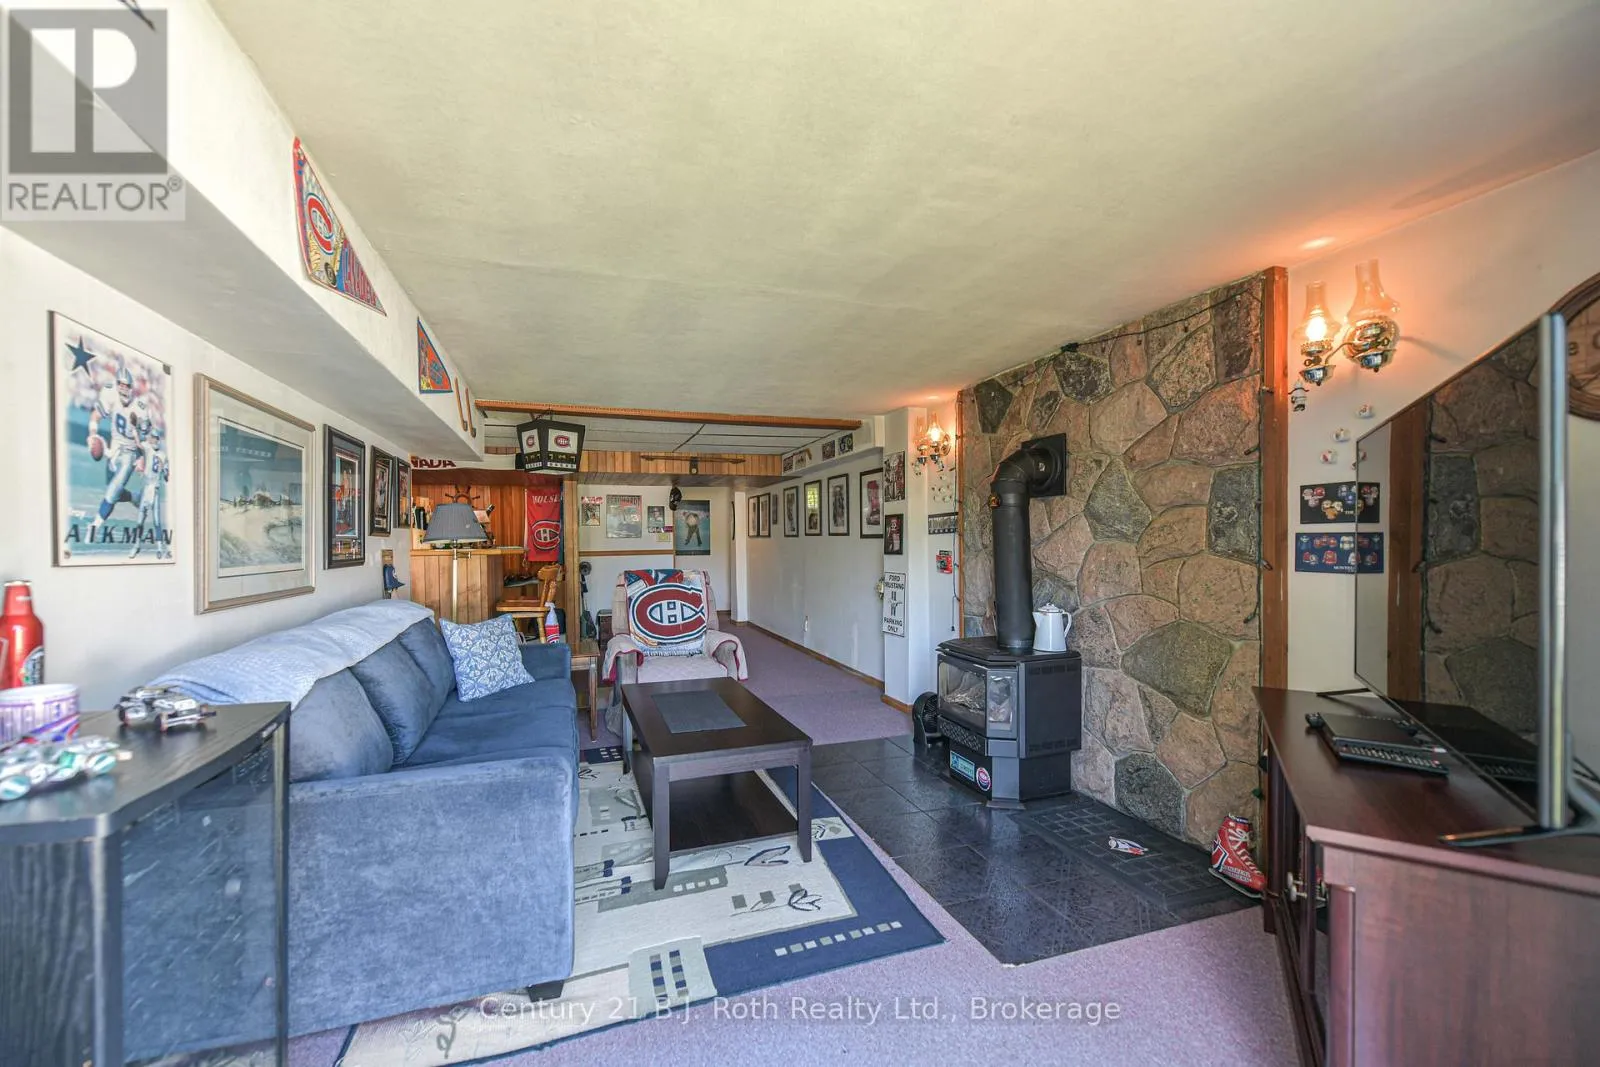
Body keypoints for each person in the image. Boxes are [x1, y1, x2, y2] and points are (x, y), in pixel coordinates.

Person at [83, 361, 149, 542]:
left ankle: (95, 526)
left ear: (131, 387)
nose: (123, 388)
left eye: (126, 385)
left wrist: (141, 458)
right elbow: (96, 415)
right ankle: (135, 498)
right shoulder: (109, 393)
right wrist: (92, 434)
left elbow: (144, 439)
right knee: (114, 489)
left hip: (130, 452)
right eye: (120, 384)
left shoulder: (140, 408)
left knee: (112, 492)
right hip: (114, 449)